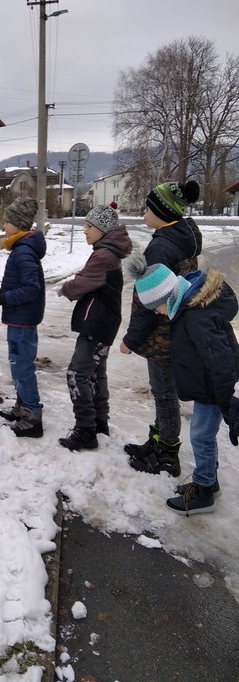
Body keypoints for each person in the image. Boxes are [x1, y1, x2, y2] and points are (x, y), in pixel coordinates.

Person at [131, 257, 239, 515]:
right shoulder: (189, 309)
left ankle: (203, 491)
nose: (157, 313)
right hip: (207, 385)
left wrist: (228, 403)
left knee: (201, 437)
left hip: (213, 388)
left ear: (165, 298)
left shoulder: (195, 317)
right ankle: (209, 482)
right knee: (203, 436)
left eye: (155, 308)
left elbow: (220, 362)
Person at [120, 180, 202, 476]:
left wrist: (130, 340)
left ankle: (166, 454)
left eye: (148, 207)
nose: (144, 212)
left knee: (165, 394)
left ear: (163, 211)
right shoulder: (182, 237)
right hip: (173, 329)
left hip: (162, 334)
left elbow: (149, 302)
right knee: (163, 392)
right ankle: (157, 442)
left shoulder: (161, 248)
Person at [56, 203, 132, 450]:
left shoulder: (103, 256)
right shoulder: (106, 252)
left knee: (76, 374)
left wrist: (65, 288)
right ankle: (99, 423)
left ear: (102, 228)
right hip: (103, 323)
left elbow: (83, 283)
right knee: (96, 373)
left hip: (97, 324)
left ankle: (86, 429)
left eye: (89, 226)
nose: (85, 231)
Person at [0, 196, 46, 438]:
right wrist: (0, 292)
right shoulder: (22, 248)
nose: (3, 226)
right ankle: (22, 408)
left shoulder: (23, 251)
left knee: (22, 368)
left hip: (22, 321)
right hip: (20, 318)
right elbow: (22, 284)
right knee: (19, 366)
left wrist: (2, 299)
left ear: (18, 224)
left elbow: (31, 289)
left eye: (7, 222)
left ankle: (32, 418)